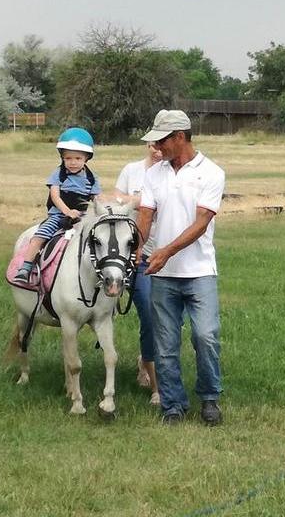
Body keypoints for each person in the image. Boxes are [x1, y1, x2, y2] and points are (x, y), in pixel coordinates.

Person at [137, 110, 225, 425]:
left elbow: (202, 222)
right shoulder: (154, 174)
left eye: (162, 140)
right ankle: (173, 406)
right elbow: (145, 216)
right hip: (161, 275)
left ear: (180, 137)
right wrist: (137, 248)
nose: (157, 147)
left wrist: (166, 251)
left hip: (199, 271)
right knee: (165, 343)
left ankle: (210, 398)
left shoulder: (212, 172)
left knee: (206, 335)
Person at [13, 127, 101, 284]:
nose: (73, 162)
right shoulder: (58, 174)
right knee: (40, 235)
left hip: (81, 217)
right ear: (62, 158)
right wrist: (67, 211)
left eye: (78, 158)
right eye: (68, 158)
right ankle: (25, 268)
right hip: (59, 215)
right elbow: (55, 196)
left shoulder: (92, 178)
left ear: (86, 158)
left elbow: (97, 199)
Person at [114, 142, 164, 406]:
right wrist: (138, 201)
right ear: (147, 145)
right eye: (153, 146)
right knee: (149, 313)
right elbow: (117, 202)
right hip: (138, 257)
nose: (157, 151)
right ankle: (157, 387)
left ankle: (146, 358)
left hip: (169, 255)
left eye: (161, 146)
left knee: (171, 320)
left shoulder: (173, 173)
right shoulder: (131, 170)